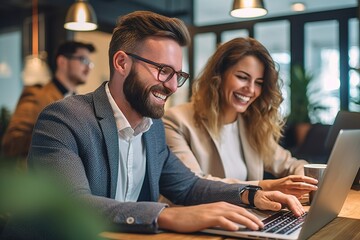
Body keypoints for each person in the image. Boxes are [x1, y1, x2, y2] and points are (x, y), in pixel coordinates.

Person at [27, 11, 305, 234]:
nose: (172, 86)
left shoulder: (152, 128)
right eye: (163, 71)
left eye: (177, 75)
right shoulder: (63, 119)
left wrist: (250, 195)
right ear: (122, 63)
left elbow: (188, 186)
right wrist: (168, 215)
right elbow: (73, 206)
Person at [163, 37, 317, 198]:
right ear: (218, 75)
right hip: (198, 219)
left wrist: (304, 181)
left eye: (258, 82)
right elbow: (193, 185)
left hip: (245, 217)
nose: (250, 89)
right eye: (242, 77)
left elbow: (292, 164)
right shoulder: (176, 121)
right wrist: (266, 186)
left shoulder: (250, 124)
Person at [1, 41, 95, 159]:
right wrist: (56, 136)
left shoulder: (81, 104)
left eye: (90, 63)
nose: (88, 68)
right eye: (83, 60)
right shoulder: (37, 95)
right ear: (62, 62)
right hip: (40, 175)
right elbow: (11, 143)